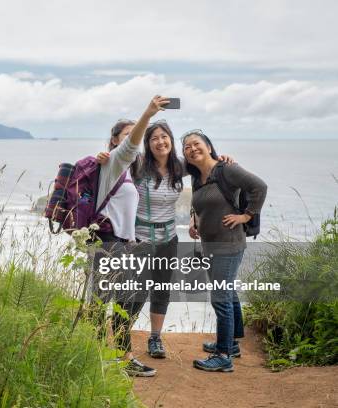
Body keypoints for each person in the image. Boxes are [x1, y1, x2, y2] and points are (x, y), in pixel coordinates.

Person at [96, 121, 234, 362]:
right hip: (140, 240)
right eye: (154, 139)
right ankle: (121, 343)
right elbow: (119, 159)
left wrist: (221, 159)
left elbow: (205, 171)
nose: (160, 142)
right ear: (147, 145)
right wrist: (104, 156)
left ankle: (155, 338)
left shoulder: (180, 166)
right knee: (133, 294)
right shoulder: (138, 165)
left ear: (171, 140)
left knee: (161, 290)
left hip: (169, 238)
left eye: (164, 137)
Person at [90, 95, 171, 377]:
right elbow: (131, 145)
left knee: (125, 299)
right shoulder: (114, 161)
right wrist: (148, 114)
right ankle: (103, 360)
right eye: (127, 136)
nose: (134, 141)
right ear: (115, 142)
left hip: (123, 244)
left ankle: (113, 357)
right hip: (106, 243)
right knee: (103, 301)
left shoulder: (128, 169)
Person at [182, 129, 267, 372]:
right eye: (187, 147)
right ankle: (231, 344)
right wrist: (192, 219)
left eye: (196, 143)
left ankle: (223, 356)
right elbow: (196, 202)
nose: (192, 149)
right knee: (228, 293)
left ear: (208, 146)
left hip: (228, 244)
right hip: (211, 244)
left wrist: (246, 215)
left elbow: (259, 187)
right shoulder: (197, 177)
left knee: (220, 299)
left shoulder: (227, 169)